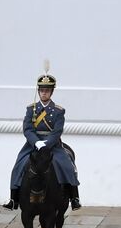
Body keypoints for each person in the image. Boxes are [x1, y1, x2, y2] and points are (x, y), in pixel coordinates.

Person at [6, 67, 80, 211]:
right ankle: (13, 199)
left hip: (53, 145)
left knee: (67, 166)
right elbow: (27, 128)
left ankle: (74, 197)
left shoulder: (58, 111)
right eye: (41, 90)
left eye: (46, 90)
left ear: (51, 92)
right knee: (19, 165)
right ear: (38, 91)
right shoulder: (31, 109)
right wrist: (36, 142)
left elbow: (58, 130)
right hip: (33, 144)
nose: (43, 93)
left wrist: (47, 143)